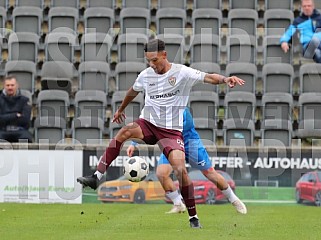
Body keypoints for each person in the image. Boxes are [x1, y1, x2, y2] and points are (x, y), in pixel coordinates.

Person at [77, 39, 245, 228]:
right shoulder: (146, 75)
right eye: (149, 61)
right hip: (149, 124)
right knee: (124, 132)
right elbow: (133, 91)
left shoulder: (181, 72)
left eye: (155, 60)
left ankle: (193, 217)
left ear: (164, 55)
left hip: (171, 132)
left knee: (181, 170)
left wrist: (224, 79)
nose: (152, 65)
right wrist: (121, 109)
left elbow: (208, 77)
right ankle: (96, 177)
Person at [127, 107, 247, 215]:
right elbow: (144, 127)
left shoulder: (180, 106)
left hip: (191, 144)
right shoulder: (155, 108)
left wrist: (165, 130)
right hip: (171, 145)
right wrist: (133, 143)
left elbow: (188, 124)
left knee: (210, 173)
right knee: (161, 173)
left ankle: (234, 199)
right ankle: (178, 204)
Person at [0, 76, 32, 143]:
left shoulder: (24, 100)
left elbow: (25, 120)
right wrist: (15, 115)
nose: (10, 87)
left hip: (20, 131)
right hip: (3, 131)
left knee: (26, 138)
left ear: (17, 86)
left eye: (12, 85)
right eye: (8, 85)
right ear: (4, 86)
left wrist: (5, 116)